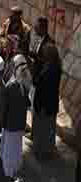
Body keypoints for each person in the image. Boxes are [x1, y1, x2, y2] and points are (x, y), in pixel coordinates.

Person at [30, 16, 62, 159]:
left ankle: (42, 152)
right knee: (47, 128)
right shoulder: (54, 67)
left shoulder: (49, 70)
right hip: (49, 104)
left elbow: (43, 86)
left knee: (44, 128)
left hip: (45, 104)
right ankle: (44, 150)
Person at [1, 59, 30, 178]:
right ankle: (15, 169)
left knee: (8, 151)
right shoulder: (24, 87)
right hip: (19, 125)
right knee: (17, 149)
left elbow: (5, 107)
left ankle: (7, 174)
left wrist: (3, 123)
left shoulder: (10, 86)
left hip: (10, 125)